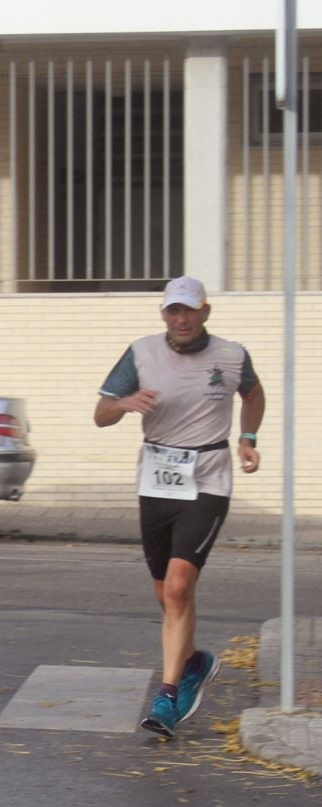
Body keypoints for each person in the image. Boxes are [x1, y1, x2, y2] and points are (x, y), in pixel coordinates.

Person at [95, 275, 264, 739]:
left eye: (189, 310)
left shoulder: (231, 356)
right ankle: (193, 662)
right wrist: (126, 402)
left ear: (205, 312)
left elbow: (253, 393)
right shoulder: (141, 353)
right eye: (174, 310)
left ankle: (167, 697)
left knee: (177, 587)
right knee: (165, 595)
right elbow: (101, 413)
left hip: (208, 478)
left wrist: (247, 439)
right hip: (156, 479)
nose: (182, 318)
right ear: (164, 314)